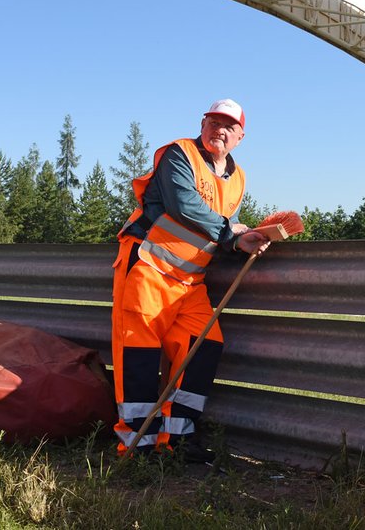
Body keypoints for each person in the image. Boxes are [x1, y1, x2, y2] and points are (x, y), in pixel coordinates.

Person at [110, 98, 270, 458]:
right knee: (139, 354)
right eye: (214, 121)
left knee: (206, 345)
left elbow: (218, 229)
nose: (220, 130)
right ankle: (136, 446)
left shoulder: (239, 177)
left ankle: (178, 440)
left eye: (229, 126)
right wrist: (232, 234)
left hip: (190, 282)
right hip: (148, 269)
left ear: (241, 137)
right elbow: (184, 206)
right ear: (202, 124)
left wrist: (242, 241)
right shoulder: (179, 154)